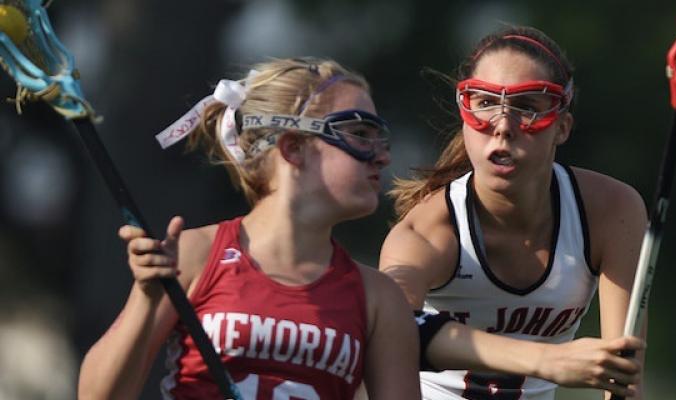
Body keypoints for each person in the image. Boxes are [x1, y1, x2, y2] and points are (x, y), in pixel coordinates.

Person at [78, 57, 420, 400]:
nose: (382, 157)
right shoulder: (194, 255)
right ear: (294, 148)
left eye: (380, 138)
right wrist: (146, 298)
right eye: (359, 134)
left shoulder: (379, 299)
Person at [380, 26, 647, 399]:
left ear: (562, 127)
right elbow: (388, 334)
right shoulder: (426, 231)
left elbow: (624, 378)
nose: (503, 127)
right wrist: (546, 360)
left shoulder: (612, 211)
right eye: (485, 102)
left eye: (527, 107)